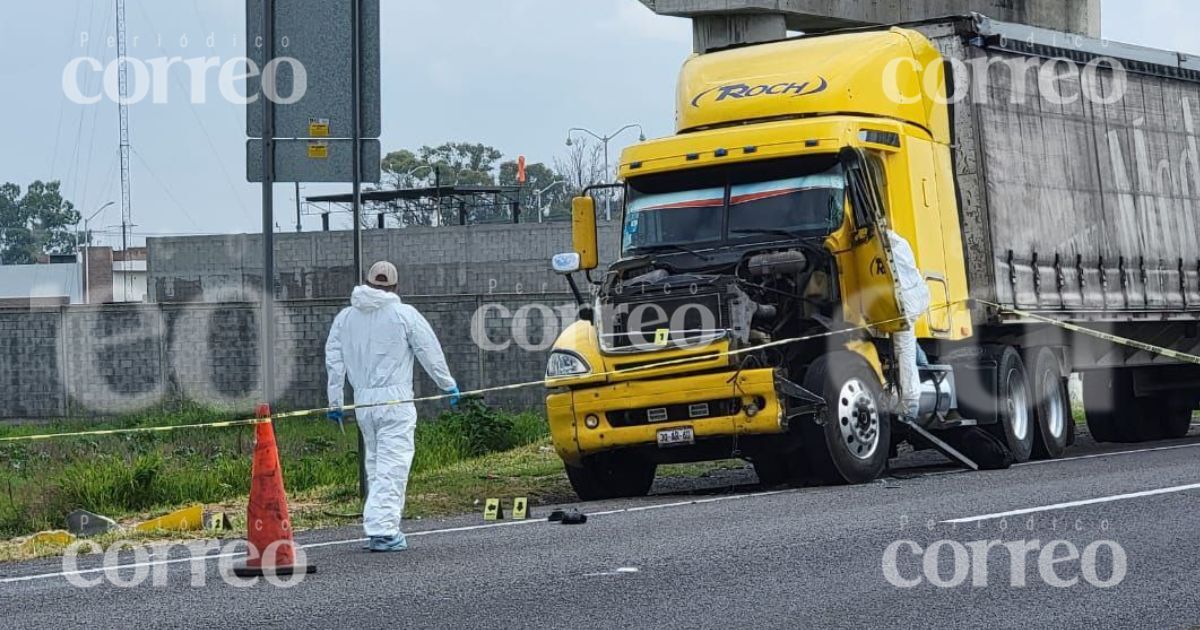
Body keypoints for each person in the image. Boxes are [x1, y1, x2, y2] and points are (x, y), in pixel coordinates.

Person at [325, 261, 461, 552]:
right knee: (393, 464)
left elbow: (334, 363)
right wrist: (447, 384)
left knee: (375, 463)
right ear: (395, 286)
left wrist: (335, 401)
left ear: (366, 282)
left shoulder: (345, 318)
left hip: (363, 401)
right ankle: (384, 530)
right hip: (395, 400)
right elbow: (429, 351)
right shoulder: (403, 314)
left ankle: (380, 526)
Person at [887, 229, 931, 423]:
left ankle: (911, 403)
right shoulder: (898, 242)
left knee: (903, 348)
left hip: (906, 304)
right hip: (915, 297)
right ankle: (926, 370)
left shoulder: (886, 248)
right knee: (907, 345)